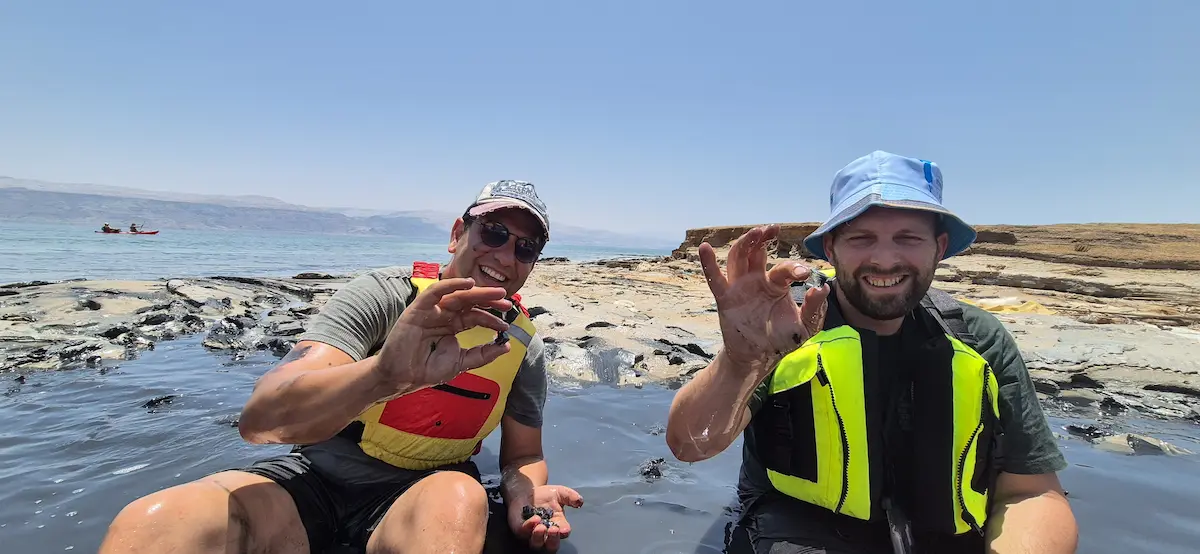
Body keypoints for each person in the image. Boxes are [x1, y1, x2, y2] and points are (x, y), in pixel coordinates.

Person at [99, 180, 584, 554]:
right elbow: (261, 420)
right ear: (458, 233)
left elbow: (522, 456)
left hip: (428, 493)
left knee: (459, 497)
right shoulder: (382, 297)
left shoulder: (520, 345)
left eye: (526, 247)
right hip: (314, 479)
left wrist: (526, 496)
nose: (506, 254)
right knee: (157, 522)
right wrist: (384, 376)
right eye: (494, 232)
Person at [665, 151, 1078, 553]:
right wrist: (742, 362)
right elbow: (690, 446)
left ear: (939, 247)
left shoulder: (977, 338)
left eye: (908, 238)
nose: (884, 259)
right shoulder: (786, 325)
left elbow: (1031, 492)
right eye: (861, 238)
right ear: (831, 248)